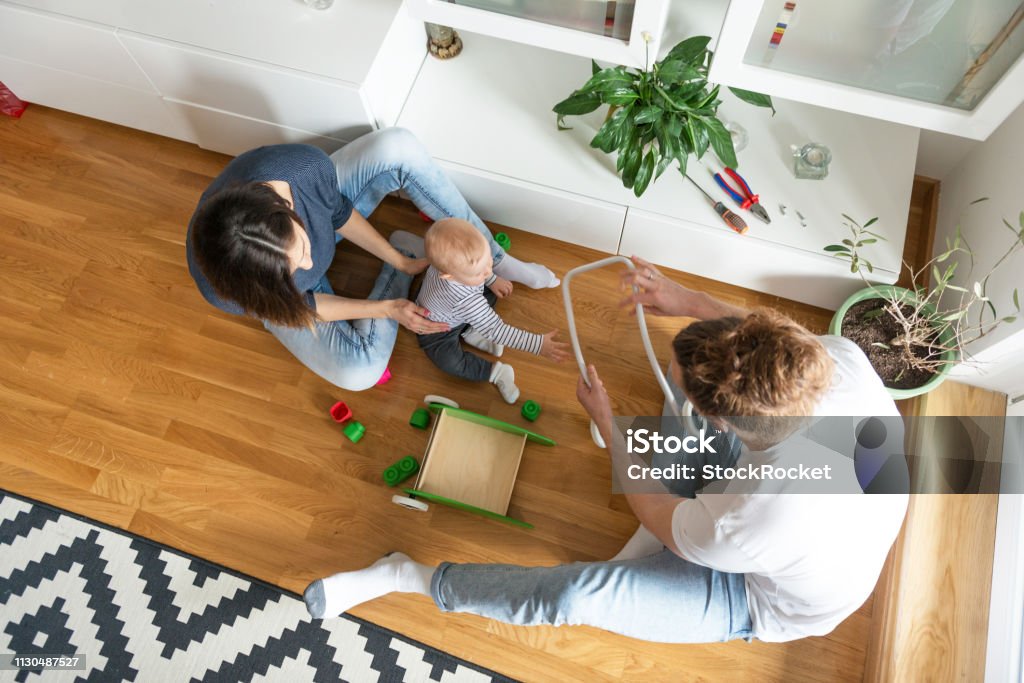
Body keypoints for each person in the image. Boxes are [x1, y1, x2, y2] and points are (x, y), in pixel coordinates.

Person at [301, 256, 908, 644]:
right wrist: (688, 300)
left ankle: (407, 574)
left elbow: (657, 514)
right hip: (805, 516)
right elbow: (759, 334)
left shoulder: (757, 519)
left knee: (577, 596)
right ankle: (667, 488)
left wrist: (611, 421)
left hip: (759, 596)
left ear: (718, 416)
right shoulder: (833, 363)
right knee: (666, 455)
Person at [187, 128, 559, 391]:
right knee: (358, 373)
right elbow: (306, 304)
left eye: (301, 247)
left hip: (310, 204)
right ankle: (408, 265)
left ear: (285, 207)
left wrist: (398, 260)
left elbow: (337, 213)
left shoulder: (301, 170)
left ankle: (495, 260)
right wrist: (387, 309)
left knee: (398, 146)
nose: (308, 265)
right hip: (290, 297)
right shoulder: (228, 286)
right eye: (293, 269)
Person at [415, 218, 569, 403]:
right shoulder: (467, 300)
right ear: (448, 275)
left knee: (494, 292)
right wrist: (537, 344)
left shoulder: (447, 262)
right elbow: (498, 331)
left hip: (456, 309)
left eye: (488, 260)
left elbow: (479, 268)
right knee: (449, 362)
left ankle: (473, 330)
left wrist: (491, 279)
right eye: (480, 272)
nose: (488, 270)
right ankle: (495, 372)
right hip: (437, 329)